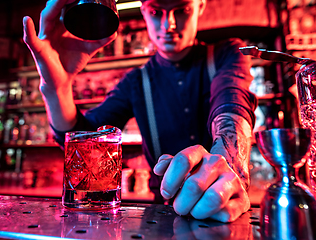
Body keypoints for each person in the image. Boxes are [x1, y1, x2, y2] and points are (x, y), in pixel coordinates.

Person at [23, 0, 257, 222]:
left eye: (182, 10)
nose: (169, 25)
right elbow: (84, 141)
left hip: (225, 204)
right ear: (143, 12)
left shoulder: (228, 53)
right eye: (156, 12)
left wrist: (229, 168)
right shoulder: (135, 81)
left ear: (200, 6)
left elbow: (233, 102)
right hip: (165, 214)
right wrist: (57, 89)